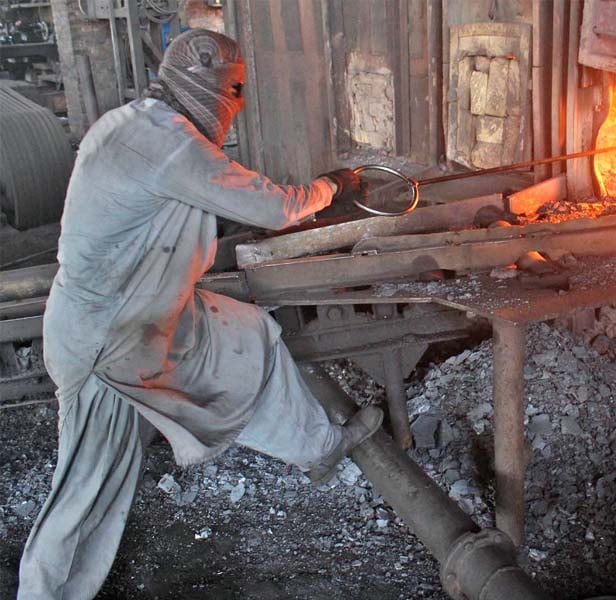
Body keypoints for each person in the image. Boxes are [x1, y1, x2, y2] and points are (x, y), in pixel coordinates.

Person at [17, 29, 382, 599]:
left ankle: (318, 448)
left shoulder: (138, 122)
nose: (236, 105)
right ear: (211, 84)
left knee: (251, 337)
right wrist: (331, 186)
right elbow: (271, 206)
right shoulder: (164, 143)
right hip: (102, 344)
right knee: (88, 491)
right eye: (235, 90)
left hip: (147, 321)